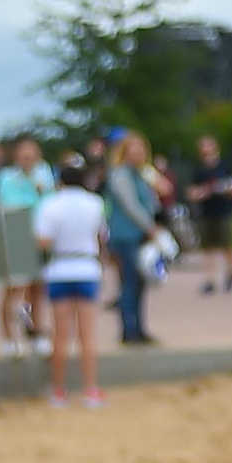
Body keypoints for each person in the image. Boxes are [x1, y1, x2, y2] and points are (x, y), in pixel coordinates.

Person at [32, 157, 107, 408]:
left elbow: (43, 241)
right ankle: (90, 388)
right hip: (86, 266)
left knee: (60, 334)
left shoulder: (49, 204)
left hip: (60, 267)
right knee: (87, 334)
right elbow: (101, 235)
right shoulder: (95, 203)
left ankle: (59, 390)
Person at [0, 136, 54, 354]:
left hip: (39, 239)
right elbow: (11, 204)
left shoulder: (44, 174)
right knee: (12, 288)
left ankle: (37, 331)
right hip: (16, 239)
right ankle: (7, 336)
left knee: (37, 288)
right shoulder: (6, 177)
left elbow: (49, 202)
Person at [103, 129, 161, 346]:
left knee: (139, 283)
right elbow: (131, 206)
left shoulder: (140, 174)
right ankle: (129, 329)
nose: (139, 153)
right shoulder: (120, 175)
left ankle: (139, 327)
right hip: (126, 236)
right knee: (129, 283)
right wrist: (150, 227)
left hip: (139, 236)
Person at [190, 134, 232, 294]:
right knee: (208, 247)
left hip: (224, 211)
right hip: (206, 212)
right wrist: (201, 193)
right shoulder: (199, 170)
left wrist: (223, 188)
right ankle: (209, 279)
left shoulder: (225, 166)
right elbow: (192, 191)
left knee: (227, 245)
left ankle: (231, 271)